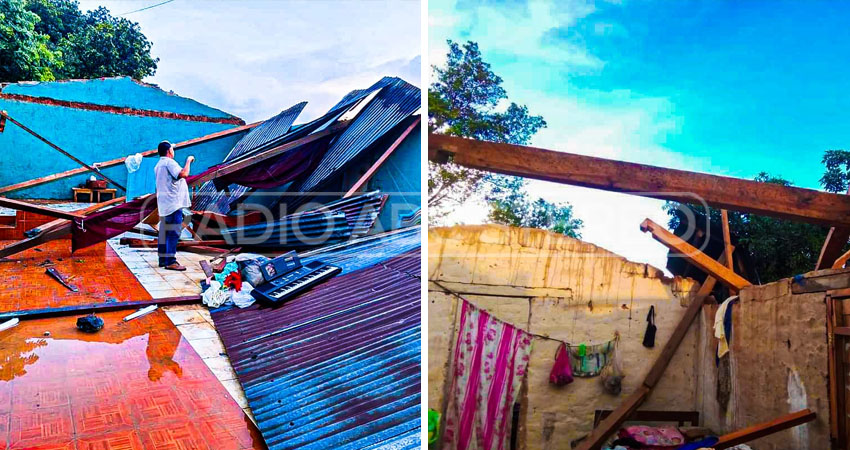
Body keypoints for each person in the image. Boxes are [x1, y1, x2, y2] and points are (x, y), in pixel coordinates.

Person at [154, 140, 194, 271]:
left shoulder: (158, 165)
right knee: (173, 232)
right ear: (169, 151)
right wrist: (188, 161)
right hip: (173, 204)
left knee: (164, 232)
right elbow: (184, 174)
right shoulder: (169, 162)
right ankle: (170, 261)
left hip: (164, 204)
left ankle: (163, 260)